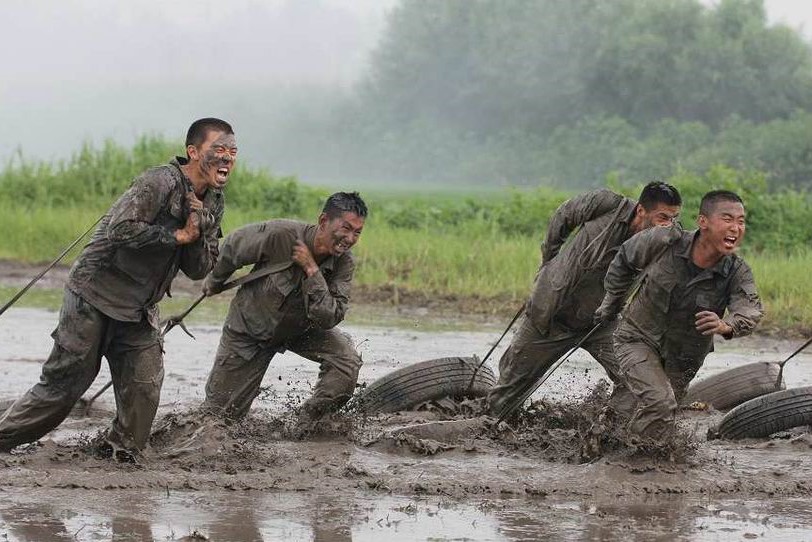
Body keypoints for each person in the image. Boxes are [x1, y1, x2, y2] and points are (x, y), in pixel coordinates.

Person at [0, 118, 236, 458]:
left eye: (233, 152)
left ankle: (116, 456)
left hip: (139, 309)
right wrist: (176, 236)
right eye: (219, 150)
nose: (227, 158)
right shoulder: (159, 181)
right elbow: (120, 229)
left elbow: (198, 269)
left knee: (144, 392)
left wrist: (198, 229)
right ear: (194, 152)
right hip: (93, 295)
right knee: (63, 388)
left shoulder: (213, 202)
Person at [487, 182, 682, 418]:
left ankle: (607, 430)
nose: (667, 224)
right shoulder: (606, 204)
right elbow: (563, 216)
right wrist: (550, 261)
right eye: (662, 217)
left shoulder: (666, 241)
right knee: (504, 397)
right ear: (641, 211)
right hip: (550, 315)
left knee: (638, 380)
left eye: (673, 218)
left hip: (601, 324)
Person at [595, 190, 763, 439]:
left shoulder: (737, 271)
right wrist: (613, 302)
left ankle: (604, 442)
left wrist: (726, 325)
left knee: (639, 409)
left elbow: (750, 309)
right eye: (727, 219)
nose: (736, 228)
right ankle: (632, 459)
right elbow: (624, 260)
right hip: (637, 339)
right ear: (703, 221)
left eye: (741, 221)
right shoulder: (663, 241)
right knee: (660, 403)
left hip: (683, 358)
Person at [200, 192, 366, 427]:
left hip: (300, 330)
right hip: (249, 331)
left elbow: (331, 316)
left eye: (357, 232)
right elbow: (234, 246)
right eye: (346, 228)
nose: (349, 238)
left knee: (346, 361)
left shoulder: (344, 262)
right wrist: (215, 281)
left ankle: (307, 424)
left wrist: (311, 269)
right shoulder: (282, 234)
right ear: (323, 221)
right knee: (218, 419)